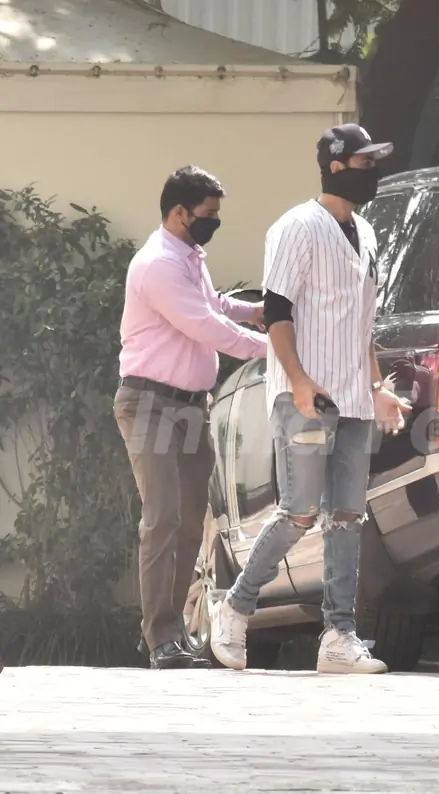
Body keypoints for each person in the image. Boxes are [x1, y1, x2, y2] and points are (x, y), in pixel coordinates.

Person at [210, 124, 411, 674]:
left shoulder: (366, 233)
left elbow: (362, 322)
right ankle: (234, 606)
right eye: (366, 162)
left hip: (354, 399)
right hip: (306, 395)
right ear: (337, 165)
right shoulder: (296, 227)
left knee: (347, 516)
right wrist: (298, 381)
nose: (375, 171)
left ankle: (339, 637)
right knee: (298, 512)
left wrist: (377, 388)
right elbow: (277, 311)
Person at [114, 165, 270, 670]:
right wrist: (279, 350)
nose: (213, 223)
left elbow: (214, 304)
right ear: (178, 212)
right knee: (161, 520)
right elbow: (205, 325)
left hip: (188, 407)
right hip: (152, 404)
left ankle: (171, 630)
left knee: (187, 526)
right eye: (207, 216)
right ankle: (160, 636)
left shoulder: (188, 255)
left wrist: (257, 310)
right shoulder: (158, 263)